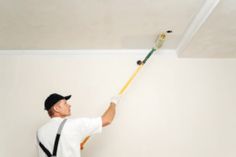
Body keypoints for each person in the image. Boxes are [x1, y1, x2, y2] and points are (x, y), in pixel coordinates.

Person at [37, 93, 121, 157]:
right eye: (65, 103)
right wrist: (113, 103)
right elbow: (107, 120)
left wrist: (74, 146)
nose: (69, 105)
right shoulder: (73, 125)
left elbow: (55, 149)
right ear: (56, 108)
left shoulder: (39, 132)